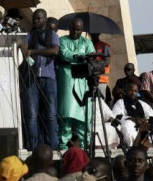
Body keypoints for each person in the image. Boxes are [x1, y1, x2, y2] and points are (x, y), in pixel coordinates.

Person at [19, 8, 60, 150]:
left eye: (39, 18)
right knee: (31, 115)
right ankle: (33, 147)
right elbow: (24, 50)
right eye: (34, 18)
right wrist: (22, 40)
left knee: (51, 114)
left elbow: (54, 50)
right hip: (32, 77)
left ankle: (53, 146)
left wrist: (34, 51)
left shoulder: (52, 35)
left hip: (48, 77)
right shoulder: (30, 35)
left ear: (45, 19)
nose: (36, 21)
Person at [57, 16, 96, 149]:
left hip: (83, 84)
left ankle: (84, 150)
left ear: (82, 30)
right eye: (73, 29)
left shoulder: (87, 42)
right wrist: (80, 57)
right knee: (66, 117)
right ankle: (64, 149)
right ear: (69, 28)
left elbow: (92, 57)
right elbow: (64, 53)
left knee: (83, 120)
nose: (75, 32)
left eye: (78, 30)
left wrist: (84, 57)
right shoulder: (62, 40)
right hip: (67, 82)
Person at [112, 82, 153, 148]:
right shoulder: (120, 102)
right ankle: (132, 147)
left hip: (143, 123)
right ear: (126, 91)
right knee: (128, 124)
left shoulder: (142, 103)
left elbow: (152, 115)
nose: (133, 93)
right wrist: (132, 119)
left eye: (135, 91)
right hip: (131, 123)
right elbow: (116, 116)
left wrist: (145, 120)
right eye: (131, 91)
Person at [90, 32, 112, 104]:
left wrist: (94, 62)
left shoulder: (104, 46)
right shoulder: (87, 45)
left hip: (101, 80)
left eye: (95, 34)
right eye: (91, 34)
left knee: (101, 102)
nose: (93, 35)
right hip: (89, 79)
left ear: (98, 34)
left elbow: (107, 62)